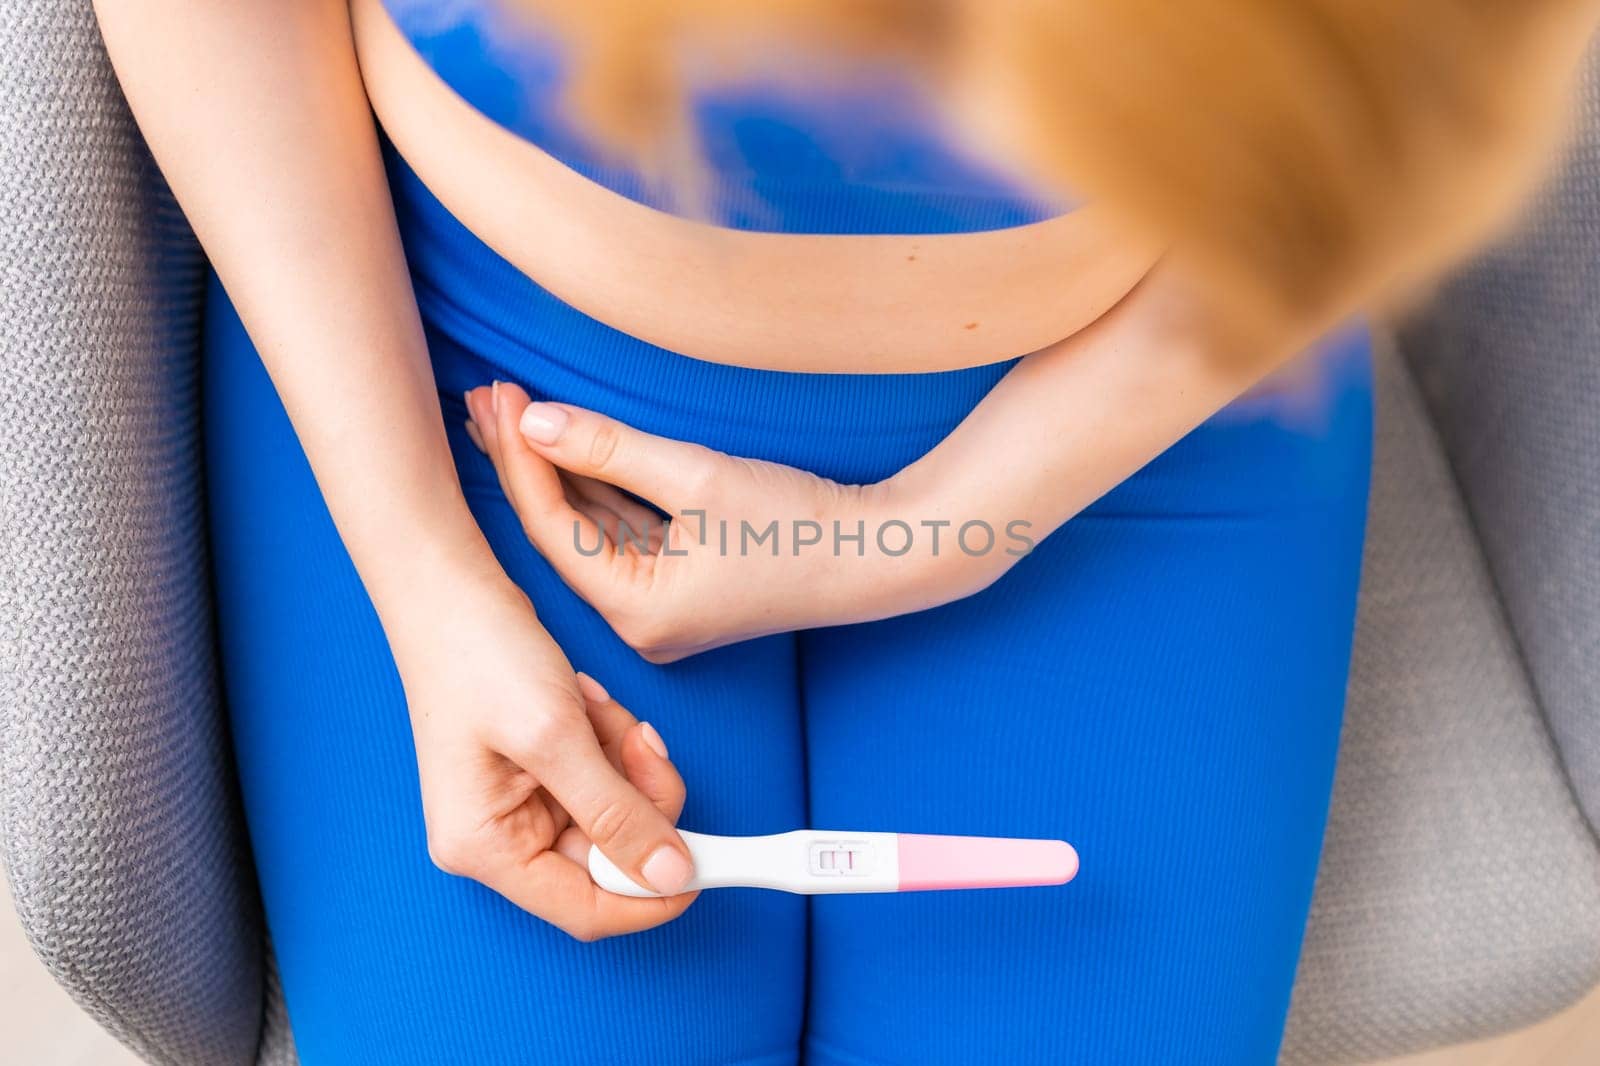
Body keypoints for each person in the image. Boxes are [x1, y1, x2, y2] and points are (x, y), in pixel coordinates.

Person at [93, 1, 1599, 1062]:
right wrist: (425, 576)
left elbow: (1395, 102)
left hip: (1140, 410)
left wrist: (940, 530)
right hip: (463, 395)